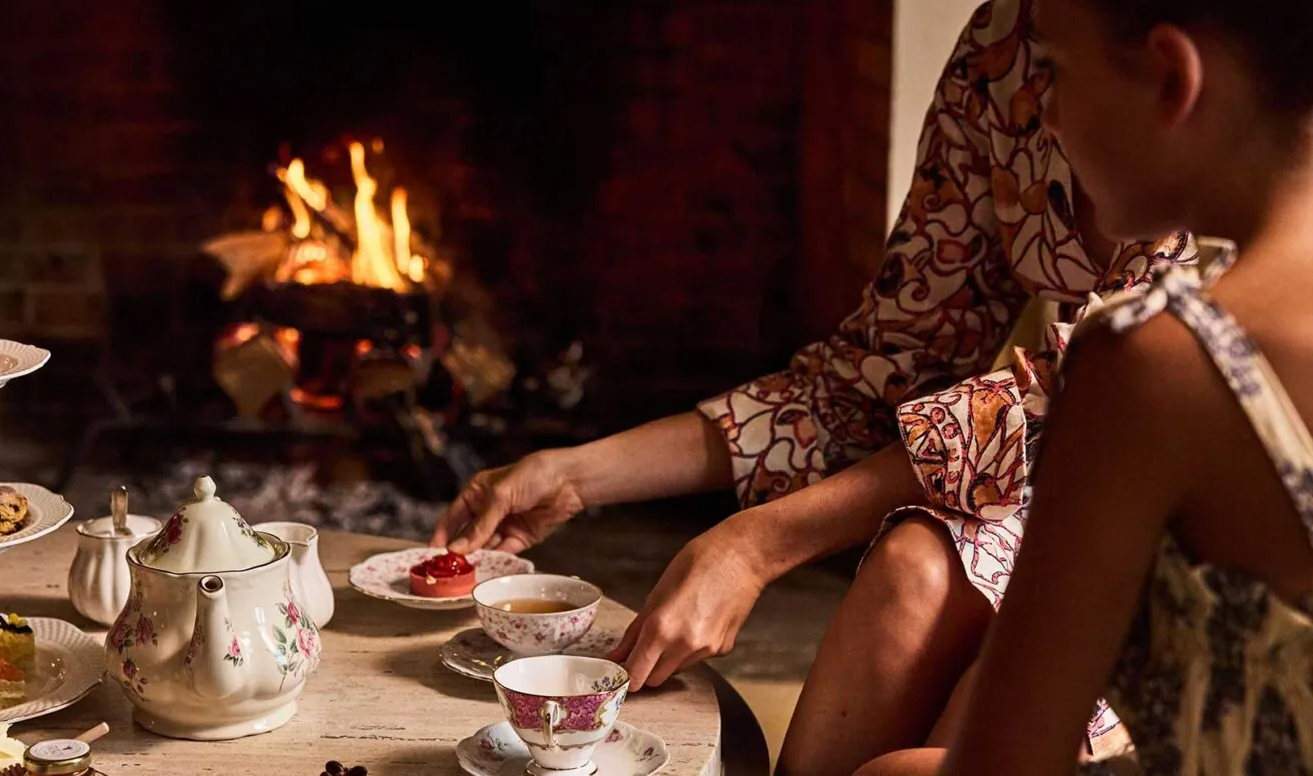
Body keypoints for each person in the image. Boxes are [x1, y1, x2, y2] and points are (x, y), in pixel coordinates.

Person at [431, 1, 1197, 772]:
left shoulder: (1248, 140)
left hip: (1189, 523)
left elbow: (1072, 413)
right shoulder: (1007, 45)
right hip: (1074, 489)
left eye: (1060, 69)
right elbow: (876, 371)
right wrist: (576, 473)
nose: (1044, 102)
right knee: (911, 568)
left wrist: (757, 544)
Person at [849, 0, 1313, 775]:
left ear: (1171, 78)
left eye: (1056, 70)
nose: (1047, 117)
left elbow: (1005, 762)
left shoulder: (1156, 363)